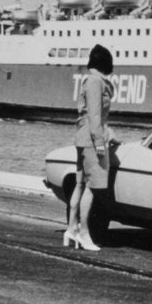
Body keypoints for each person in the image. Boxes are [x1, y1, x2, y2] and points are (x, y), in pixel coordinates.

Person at [67, 44, 114, 252]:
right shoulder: (96, 81)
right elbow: (95, 115)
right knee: (92, 188)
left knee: (79, 185)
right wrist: (100, 143)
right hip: (92, 140)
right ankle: (84, 233)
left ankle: (71, 229)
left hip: (83, 138)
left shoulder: (89, 80)